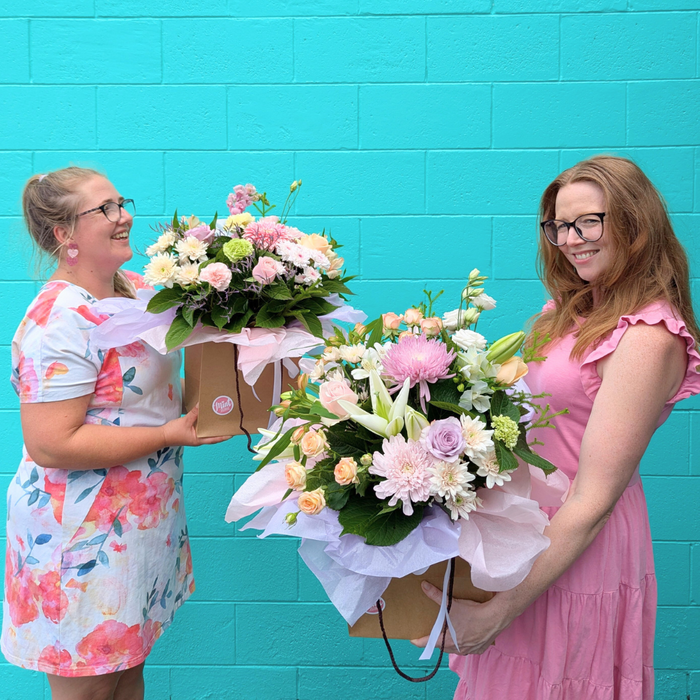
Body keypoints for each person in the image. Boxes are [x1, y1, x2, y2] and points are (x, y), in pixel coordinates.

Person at [414, 155, 700, 699]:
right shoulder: (571, 311)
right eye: (560, 225)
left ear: (635, 222)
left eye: (588, 221)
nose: (571, 239)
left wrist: (500, 610)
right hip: (527, 537)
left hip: (576, 549)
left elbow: (593, 500)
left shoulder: (646, 336)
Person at [2, 167, 231, 700]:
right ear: (64, 235)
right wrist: (168, 433)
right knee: (89, 689)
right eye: (103, 209)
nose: (123, 215)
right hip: (80, 536)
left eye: (120, 202)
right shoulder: (58, 322)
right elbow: (50, 443)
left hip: (136, 525)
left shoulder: (136, 290)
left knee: (127, 676)